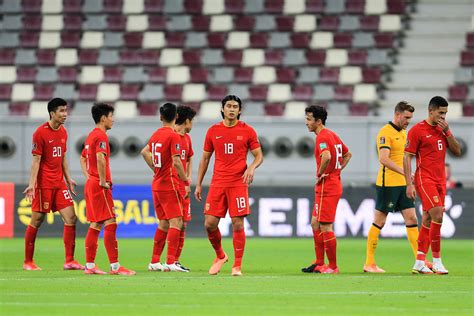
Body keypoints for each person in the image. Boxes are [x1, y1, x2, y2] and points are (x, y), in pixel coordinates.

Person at [194, 95, 263, 276]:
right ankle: (220, 256)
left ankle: (237, 266)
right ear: (222, 109)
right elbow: (205, 159)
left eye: (235, 107)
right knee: (209, 224)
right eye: (229, 106)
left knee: (237, 222)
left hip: (238, 183)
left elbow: (258, 155)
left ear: (239, 110)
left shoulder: (247, 131)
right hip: (218, 183)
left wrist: (251, 168)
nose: (232, 109)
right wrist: (199, 183)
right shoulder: (213, 130)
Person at [23, 98, 83, 271]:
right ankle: (28, 262)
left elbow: (63, 157)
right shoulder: (40, 133)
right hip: (43, 184)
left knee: (71, 217)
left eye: (66, 110)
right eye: (62, 111)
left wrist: (68, 178)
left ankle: (70, 261)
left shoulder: (63, 131)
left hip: (59, 183)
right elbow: (36, 161)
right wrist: (32, 185)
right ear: (52, 113)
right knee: (37, 220)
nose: (65, 114)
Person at [404, 96, 461, 274]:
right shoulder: (417, 130)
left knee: (428, 218)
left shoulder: (443, 130)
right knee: (438, 214)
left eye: (445, 113)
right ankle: (437, 261)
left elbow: (457, 152)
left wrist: (448, 132)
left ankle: (420, 261)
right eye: (440, 113)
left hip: (440, 180)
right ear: (431, 111)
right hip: (424, 178)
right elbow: (407, 157)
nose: (443, 116)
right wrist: (409, 184)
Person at [80, 103, 135, 275]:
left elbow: (83, 158)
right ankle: (115, 267)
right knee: (111, 221)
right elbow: (100, 158)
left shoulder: (91, 136)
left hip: (92, 183)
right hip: (99, 185)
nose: (113, 119)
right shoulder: (101, 136)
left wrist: (89, 176)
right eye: (111, 116)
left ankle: (89, 266)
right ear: (103, 118)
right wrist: (102, 181)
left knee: (96, 223)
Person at [364, 101, 418, 273]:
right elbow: (384, 159)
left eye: (410, 118)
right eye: (407, 117)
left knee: (412, 219)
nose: (408, 121)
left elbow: (404, 156)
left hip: (403, 184)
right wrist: (404, 171)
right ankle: (369, 263)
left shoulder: (403, 132)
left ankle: (420, 261)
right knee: (380, 221)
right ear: (397, 114)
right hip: (388, 184)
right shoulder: (385, 133)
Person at [301, 105, 351, 274]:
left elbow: (327, 156)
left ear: (318, 121)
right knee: (315, 222)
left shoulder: (322, 137)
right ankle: (319, 262)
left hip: (327, 187)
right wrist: (337, 170)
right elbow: (347, 154)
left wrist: (321, 173)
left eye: (309, 119)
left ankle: (333, 266)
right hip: (332, 183)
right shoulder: (333, 135)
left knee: (325, 226)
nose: (306, 122)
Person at [141, 103, 189, 272]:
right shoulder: (173, 135)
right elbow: (176, 161)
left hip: (157, 184)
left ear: (161, 117)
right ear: (176, 116)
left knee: (163, 223)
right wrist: (185, 181)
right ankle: (170, 262)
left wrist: (155, 168)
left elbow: (144, 152)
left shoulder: (156, 134)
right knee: (176, 221)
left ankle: (154, 261)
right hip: (169, 184)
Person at [173, 105, 197, 270]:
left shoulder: (187, 139)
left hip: (183, 185)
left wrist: (188, 177)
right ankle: (167, 261)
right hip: (173, 185)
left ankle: (175, 260)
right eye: (192, 120)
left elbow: (189, 158)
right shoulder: (171, 136)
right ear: (187, 120)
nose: (192, 124)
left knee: (183, 223)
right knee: (172, 222)